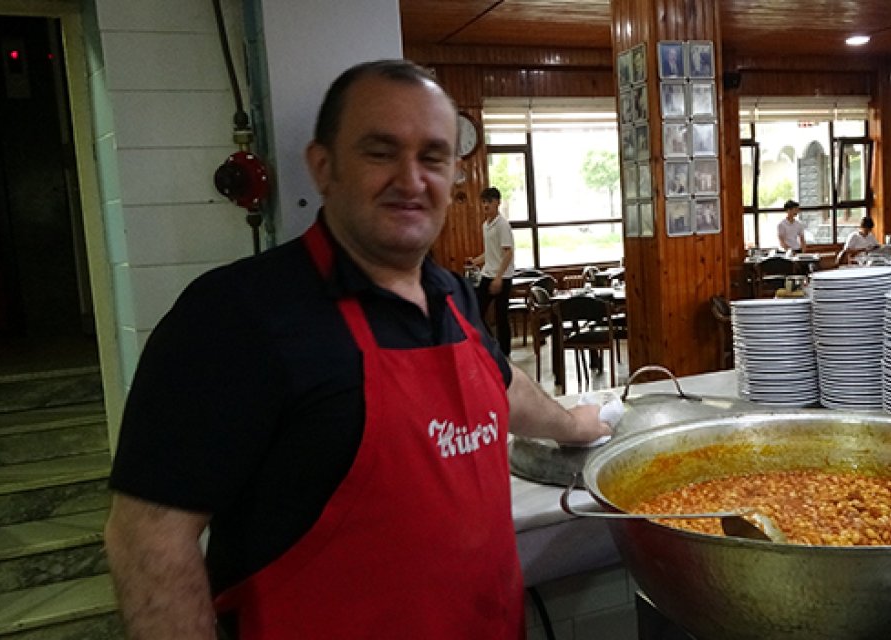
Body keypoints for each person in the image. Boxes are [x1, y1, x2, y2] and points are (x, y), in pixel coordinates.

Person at [103, 59, 610, 640]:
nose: (412, 179)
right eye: (380, 151)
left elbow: (500, 383)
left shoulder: (450, 296)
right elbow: (147, 539)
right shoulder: (236, 316)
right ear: (323, 167)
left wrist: (572, 424)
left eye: (433, 157)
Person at [470, 187, 515, 356]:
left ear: (497, 202)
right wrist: (474, 261)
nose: (485, 205)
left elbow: (507, 252)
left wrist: (498, 278)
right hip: (487, 274)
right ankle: (490, 345)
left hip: (502, 276)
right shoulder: (485, 225)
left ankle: (505, 353)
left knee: (501, 316)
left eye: (489, 201)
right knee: (476, 311)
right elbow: (490, 253)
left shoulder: (502, 225)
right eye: (483, 202)